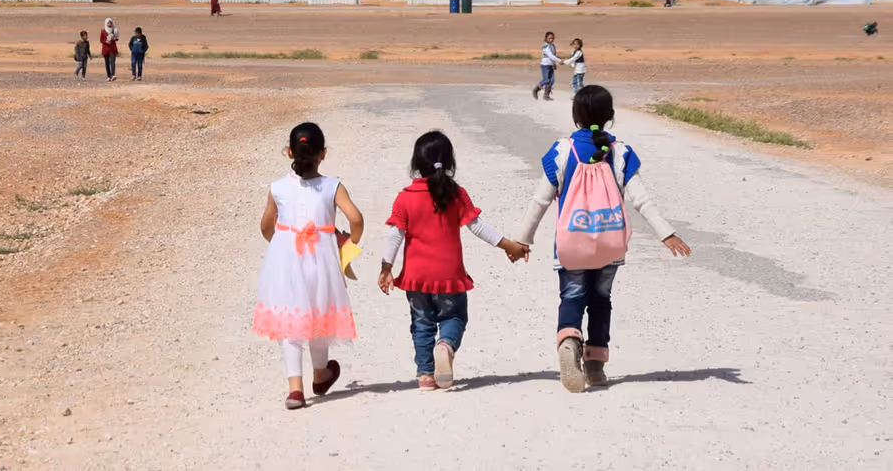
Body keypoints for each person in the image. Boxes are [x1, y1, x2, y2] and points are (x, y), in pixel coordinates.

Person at [514, 85, 693, 393]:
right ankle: (595, 366)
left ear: (575, 116)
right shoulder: (621, 152)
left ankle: (569, 342)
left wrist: (523, 239)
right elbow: (641, 200)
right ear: (610, 116)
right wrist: (666, 232)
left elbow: (540, 201)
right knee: (601, 301)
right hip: (610, 244)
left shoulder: (561, 151)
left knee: (571, 297)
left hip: (571, 244)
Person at [378, 131, 530, 391]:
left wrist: (386, 268)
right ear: (449, 163)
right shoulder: (456, 194)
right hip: (449, 275)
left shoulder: (404, 198)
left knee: (422, 323)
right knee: (454, 316)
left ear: (416, 164)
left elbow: (395, 236)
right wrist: (509, 245)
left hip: (416, 277)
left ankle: (425, 376)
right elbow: (479, 227)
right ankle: (445, 345)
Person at [253, 123, 364, 410]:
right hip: (322, 259)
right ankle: (321, 373)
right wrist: (349, 243)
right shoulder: (332, 186)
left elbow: (266, 226)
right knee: (318, 312)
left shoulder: (277, 187)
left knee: (292, 318)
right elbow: (356, 218)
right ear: (323, 154)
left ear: (289, 151)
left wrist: (280, 244)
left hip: (286, 259)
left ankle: (295, 389)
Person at [532, 31, 560, 101]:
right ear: (546, 38)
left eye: (552, 38)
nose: (551, 40)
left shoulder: (553, 46)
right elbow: (550, 55)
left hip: (551, 65)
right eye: (549, 38)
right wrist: (560, 61)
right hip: (545, 65)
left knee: (552, 80)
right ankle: (535, 90)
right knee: (545, 80)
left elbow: (554, 55)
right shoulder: (545, 46)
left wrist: (554, 64)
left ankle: (546, 95)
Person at [100, 18, 120, 82]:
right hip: (106, 49)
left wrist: (115, 39)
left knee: (112, 62)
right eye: (108, 23)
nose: (109, 24)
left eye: (110, 23)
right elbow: (101, 40)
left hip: (112, 48)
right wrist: (106, 41)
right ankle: (108, 76)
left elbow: (116, 38)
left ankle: (113, 74)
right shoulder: (103, 30)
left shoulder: (114, 30)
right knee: (107, 63)